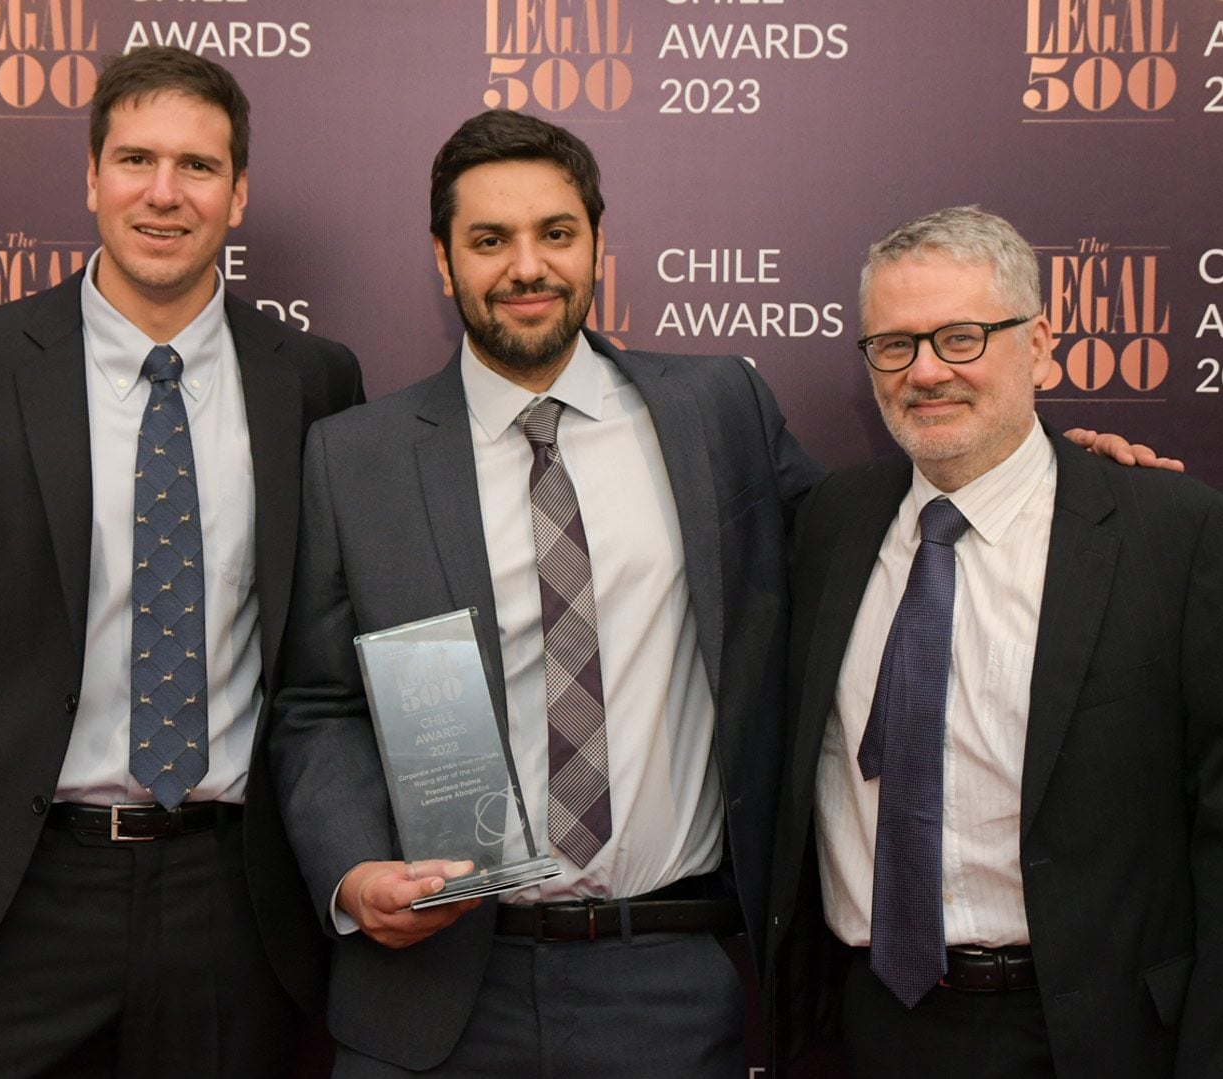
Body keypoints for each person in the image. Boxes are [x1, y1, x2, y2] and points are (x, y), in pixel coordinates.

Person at [0, 46, 362, 1076]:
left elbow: (337, 658)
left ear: (238, 193)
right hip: (10, 900)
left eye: (198, 165)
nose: (164, 193)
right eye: (135, 160)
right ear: (90, 178)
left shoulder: (313, 380)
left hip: (234, 909)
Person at [268, 108, 823, 1076]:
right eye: (490, 240)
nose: (527, 267)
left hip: (664, 981)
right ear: (443, 261)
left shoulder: (718, 409)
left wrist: (1061, 487)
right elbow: (318, 702)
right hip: (434, 988)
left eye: (555, 233)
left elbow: (855, 548)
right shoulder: (356, 457)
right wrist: (352, 871)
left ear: (598, 245)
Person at [767, 205, 1223, 1077]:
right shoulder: (830, 523)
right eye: (893, 345)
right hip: (877, 1026)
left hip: (1093, 1035)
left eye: (961, 337)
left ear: (1040, 346)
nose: (925, 370)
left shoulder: (1172, 533)